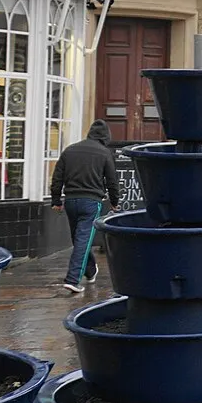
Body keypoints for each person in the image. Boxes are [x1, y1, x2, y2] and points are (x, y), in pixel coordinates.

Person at [52, 120, 121, 294]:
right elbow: (112, 181)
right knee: (83, 239)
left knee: (79, 238)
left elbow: (57, 176)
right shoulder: (105, 153)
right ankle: (73, 279)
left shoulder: (70, 150)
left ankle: (90, 271)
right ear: (105, 137)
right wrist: (115, 201)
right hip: (91, 202)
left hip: (70, 201)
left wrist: (55, 200)